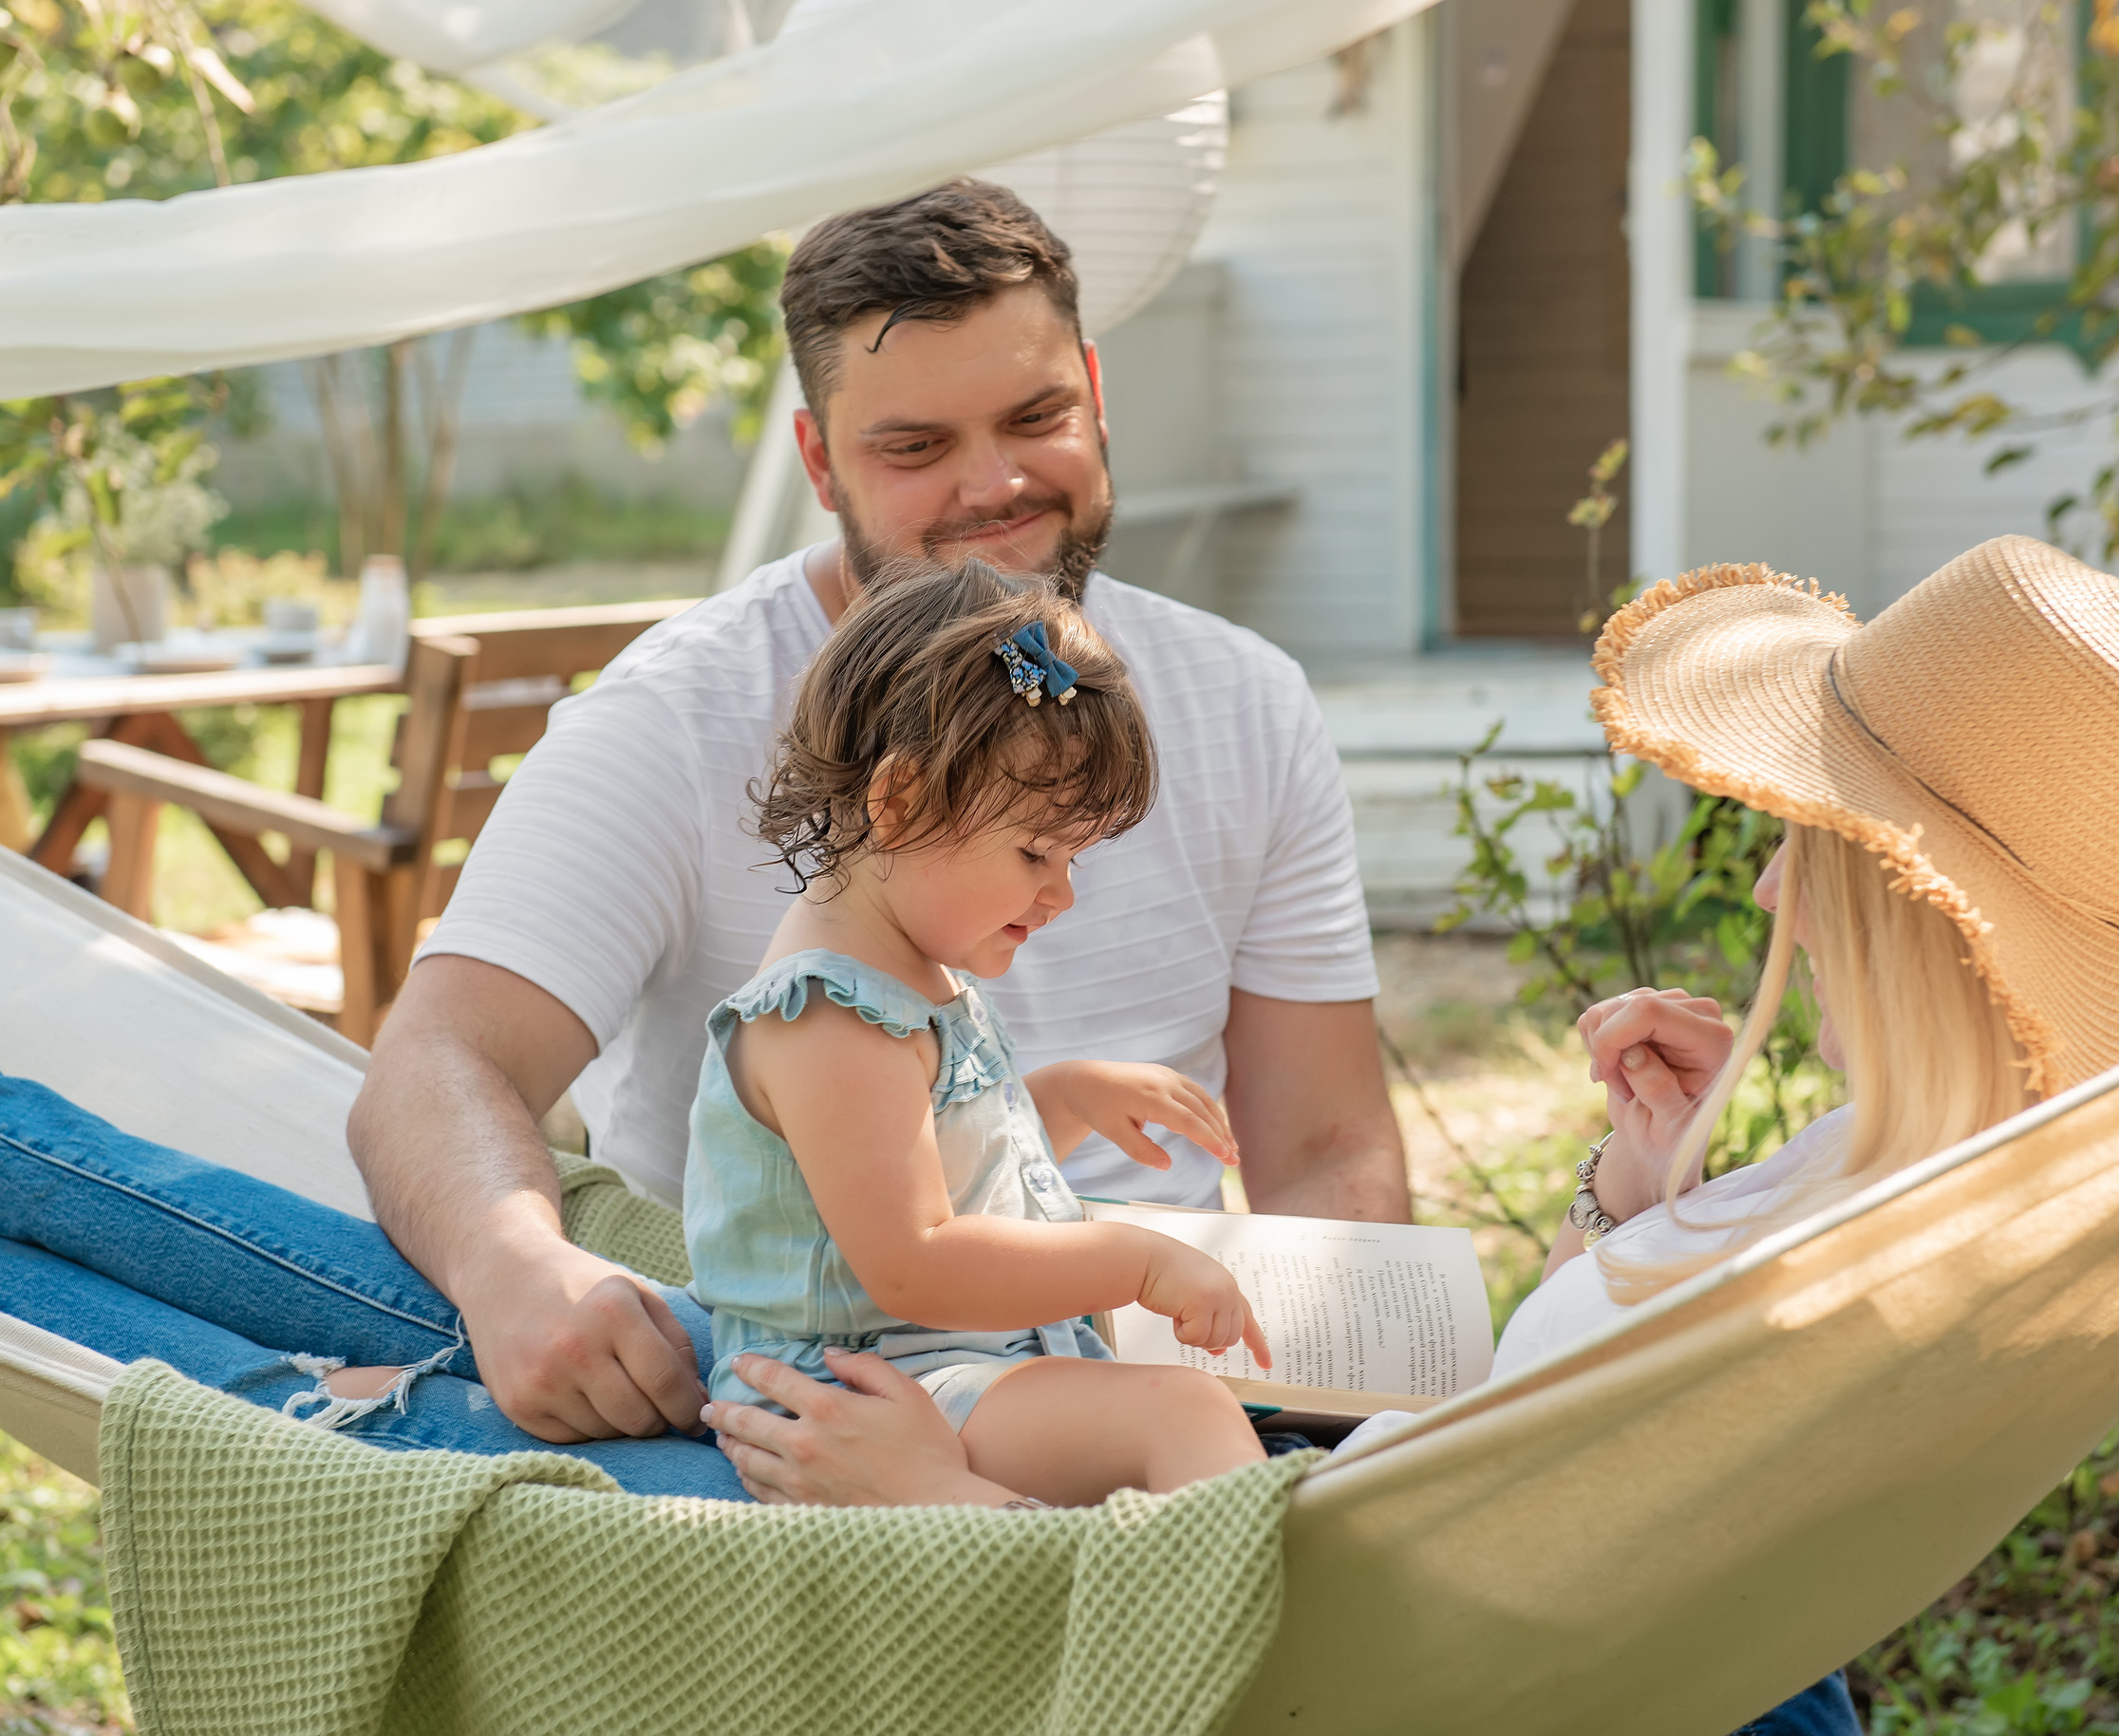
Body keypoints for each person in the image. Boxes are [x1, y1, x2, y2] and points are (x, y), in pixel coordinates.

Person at [700, 534, 2119, 1728]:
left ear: (1920, 912)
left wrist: (952, 1509)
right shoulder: (1917, 1163)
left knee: (1162, 1396)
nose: (1776, 885)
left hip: (1341, 1601)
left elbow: (1397, 1627)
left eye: (1819, 845)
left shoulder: (1887, 1220)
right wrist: (1643, 1200)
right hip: (1374, 1490)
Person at [347, 177, 1411, 1456]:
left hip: (1155, 1368)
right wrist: (512, 1264)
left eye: (1037, 416)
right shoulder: (673, 715)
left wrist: (1359, 1389)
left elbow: (1329, 1143)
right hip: (836, 1398)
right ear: (819, 460)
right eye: (915, 447)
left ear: (1096, 394)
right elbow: (435, 1062)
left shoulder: (1245, 698)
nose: (995, 484)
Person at [693, 558, 1281, 1503]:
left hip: (951, 1362)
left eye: (1076, 856)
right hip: (869, 1388)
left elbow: (940, 1168)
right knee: (1183, 1414)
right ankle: (1240, 1620)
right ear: (899, 800)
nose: (1062, 892)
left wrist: (1065, 1096)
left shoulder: (906, 973)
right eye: (1038, 851)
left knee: (1191, 1410)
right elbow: (914, 1259)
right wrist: (1135, 1260)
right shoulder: (832, 1017)